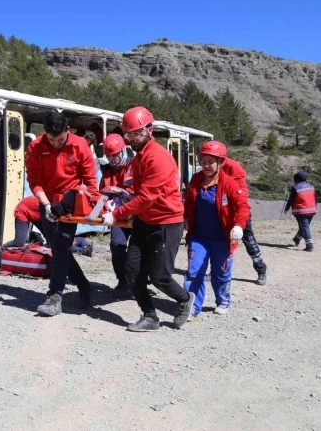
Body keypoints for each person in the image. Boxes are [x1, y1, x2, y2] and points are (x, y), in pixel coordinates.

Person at [103, 106, 195, 332]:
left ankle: (184, 299)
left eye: (135, 133)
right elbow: (137, 193)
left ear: (149, 130)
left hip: (166, 223)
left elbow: (146, 198)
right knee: (132, 272)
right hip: (144, 221)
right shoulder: (138, 158)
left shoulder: (158, 158)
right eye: (128, 134)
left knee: (160, 277)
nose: (131, 138)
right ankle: (150, 316)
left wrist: (116, 215)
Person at [26, 111, 99, 317]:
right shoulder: (36, 147)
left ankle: (55, 296)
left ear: (68, 130)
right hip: (47, 202)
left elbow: (90, 182)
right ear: (44, 133)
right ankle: (85, 287)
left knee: (60, 248)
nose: (56, 143)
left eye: (60, 139)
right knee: (60, 249)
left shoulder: (79, 145)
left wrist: (90, 205)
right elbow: (35, 180)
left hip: (70, 203)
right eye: (51, 139)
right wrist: (47, 205)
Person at [183, 141, 250, 321]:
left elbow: (242, 207)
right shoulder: (196, 180)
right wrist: (186, 217)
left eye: (210, 162)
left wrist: (238, 226)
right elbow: (189, 201)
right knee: (194, 271)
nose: (206, 165)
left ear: (220, 163)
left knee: (220, 273)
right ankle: (191, 307)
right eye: (203, 161)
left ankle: (223, 301)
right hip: (199, 237)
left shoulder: (229, 183)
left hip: (222, 238)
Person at [220, 155, 269, 285]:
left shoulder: (232, 167)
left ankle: (261, 270)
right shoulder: (214, 167)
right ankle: (217, 270)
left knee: (249, 241)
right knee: (219, 243)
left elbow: (241, 195)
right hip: (222, 211)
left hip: (238, 212)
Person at [99, 133, 135, 296]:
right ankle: (123, 281)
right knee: (117, 245)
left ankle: (138, 280)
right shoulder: (106, 172)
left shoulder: (135, 166)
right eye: (109, 156)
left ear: (123, 152)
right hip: (118, 217)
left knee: (140, 252)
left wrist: (123, 192)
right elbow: (101, 193)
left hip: (137, 216)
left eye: (115, 155)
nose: (112, 159)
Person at [0, 195, 45, 271]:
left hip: (38, 214)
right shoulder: (52, 202)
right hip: (24, 210)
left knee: (52, 240)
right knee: (19, 242)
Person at [284, 171, 317, 252]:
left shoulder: (295, 187)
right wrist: (315, 207)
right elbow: (314, 198)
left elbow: (291, 200)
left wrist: (286, 208)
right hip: (312, 209)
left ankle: (309, 245)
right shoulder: (311, 186)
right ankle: (297, 239)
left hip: (301, 211)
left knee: (305, 227)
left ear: (296, 179)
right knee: (304, 227)